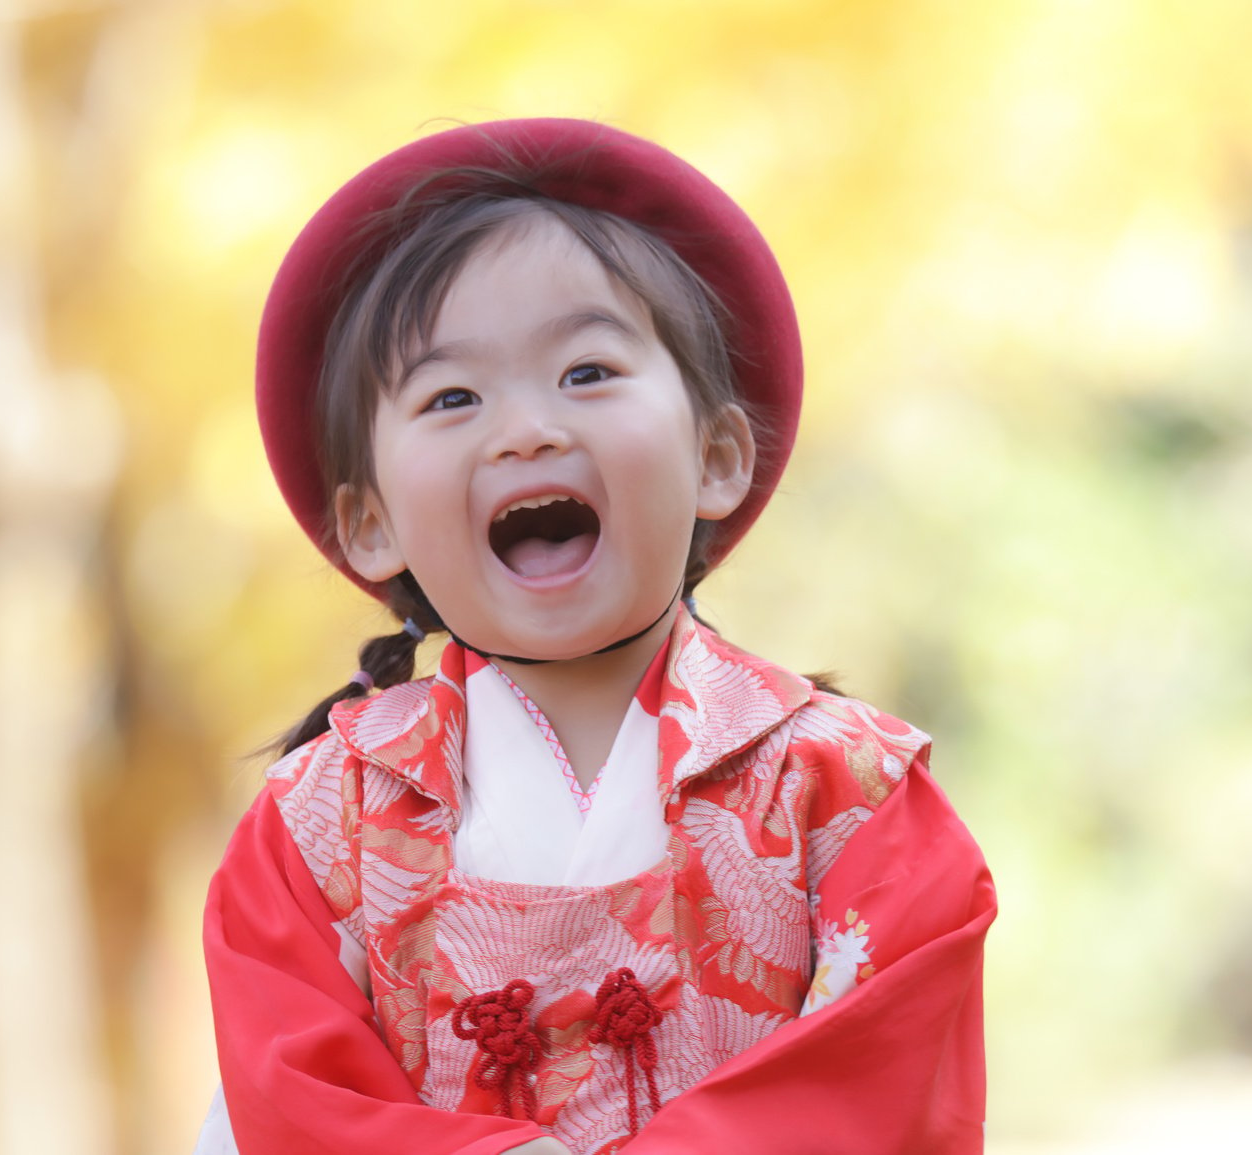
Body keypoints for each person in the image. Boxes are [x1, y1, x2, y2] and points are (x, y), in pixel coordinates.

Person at [199, 118, 995, 1155]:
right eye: (452, 397)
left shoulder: (853, 797)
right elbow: (292, 1102)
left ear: (716, 455)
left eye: (586, 373)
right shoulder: (312, 831)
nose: (526, 428)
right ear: (369, 524)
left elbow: (882, 1083)